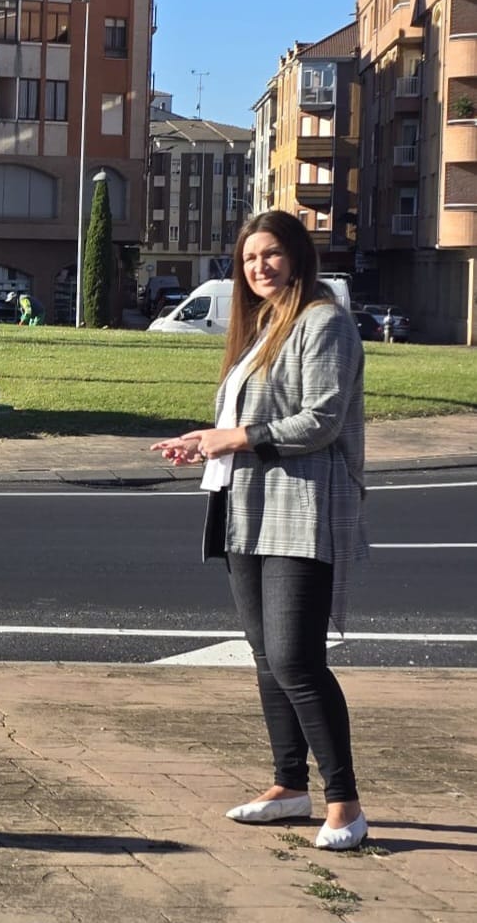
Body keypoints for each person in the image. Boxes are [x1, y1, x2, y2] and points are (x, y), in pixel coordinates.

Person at [151, 210, 369, 850]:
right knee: (267, 659)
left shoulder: (324, 322)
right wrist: (205, 443)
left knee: (297, 660)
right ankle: (288, 785)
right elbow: (250, 419)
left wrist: (236, 438)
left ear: (297, 256)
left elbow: (321, 421)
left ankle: (345, 804)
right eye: (249, 259)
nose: (259, 267)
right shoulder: (266, 326)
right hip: (246, 506)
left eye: (271, 254)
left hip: (302, 510)